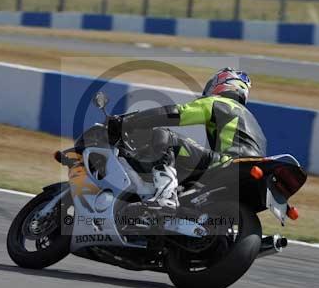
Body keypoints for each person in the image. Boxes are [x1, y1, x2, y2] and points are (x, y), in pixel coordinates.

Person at [108, 67, 267, 211]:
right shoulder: (253, 121)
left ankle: (166, 195)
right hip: (247, 171)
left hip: (228, 163)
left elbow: (176, 113)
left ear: (223, 83)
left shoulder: (219, 103)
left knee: (163, 135)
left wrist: (130, 121)